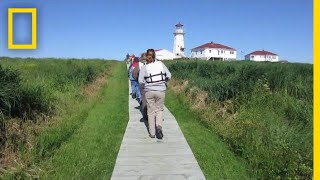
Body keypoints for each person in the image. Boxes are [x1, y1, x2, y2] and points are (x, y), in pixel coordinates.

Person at [138, 49, 171, 139]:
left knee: (151, 112)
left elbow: (140, 81)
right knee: (159, 110)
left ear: (147, 56)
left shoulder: (145, 67)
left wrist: (147, 82)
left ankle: (152, 133)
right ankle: (159, 127)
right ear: (155, 56)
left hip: (149, 91)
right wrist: (163, 81)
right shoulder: (161, 64)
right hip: (161, 90)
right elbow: (169, 75)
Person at [133, 53, 148, 121]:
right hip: (153, 84)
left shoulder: (139, 65)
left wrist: (137, 80)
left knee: (144, 100)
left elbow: (134, 74)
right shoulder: (152, 62)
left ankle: (145, 115)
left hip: (143, 84)